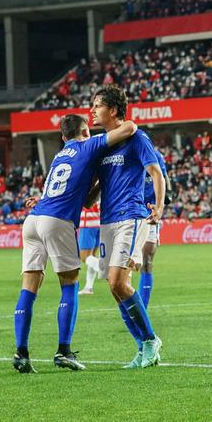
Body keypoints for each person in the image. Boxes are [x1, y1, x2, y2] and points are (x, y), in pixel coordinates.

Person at [13, 114, 138, 374]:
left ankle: (21, 353)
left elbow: (86, 201)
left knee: (29, 288)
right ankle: (64, 351)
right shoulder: (88, 144)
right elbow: (130, 127)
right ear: (85, 132)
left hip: (33, 220)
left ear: (62, 137)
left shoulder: (59, 156)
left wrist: (101, 182)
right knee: (69, 285)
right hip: (57, 220)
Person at [90, 85, 165, 369]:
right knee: (115, 288)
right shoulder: (105, 144)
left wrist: (158, 206)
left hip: (130, 217)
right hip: (107, 219)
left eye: (97, 105)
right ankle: (143, 347)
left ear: (112, 110)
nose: (93, 111)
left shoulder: (137, 138)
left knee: (117, 282)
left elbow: (155, 171)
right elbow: (97, 187)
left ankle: (150, 340)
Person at [139, 148, 172, 307]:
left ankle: (142, 310)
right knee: (124, 265)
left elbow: (164, 178)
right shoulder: (121, 153)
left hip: (150, 212)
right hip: (129, 211)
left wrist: (165, 200)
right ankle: (130, 306)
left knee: (147, 260)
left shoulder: (156, 155)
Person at [77, 202, 102, 295]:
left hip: (88, 221)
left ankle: (104, 268)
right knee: (92, 256)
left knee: (84, 257)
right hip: (99, 221)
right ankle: (89, 287)